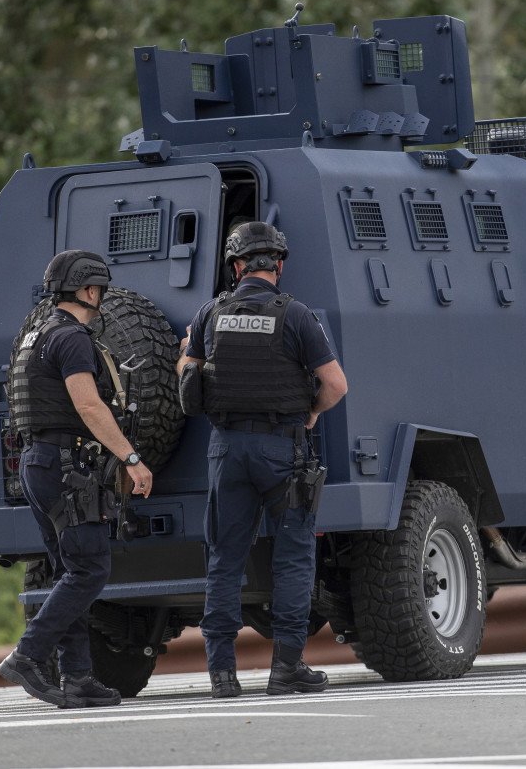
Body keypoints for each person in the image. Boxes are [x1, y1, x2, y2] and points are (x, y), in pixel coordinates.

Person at [177, 221, 348, 698]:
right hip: (282, 448)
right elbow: (336, 385)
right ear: (278, 264)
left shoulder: (210, 313)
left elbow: (187, 384)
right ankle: (286, 668)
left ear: (236, 266)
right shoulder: (296, 316)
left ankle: (222, 675)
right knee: (293, 559)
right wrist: (311, 413)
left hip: (227, 448)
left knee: (224, 559)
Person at [0, 250, 154, 707]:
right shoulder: (72, 338)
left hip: (37, 462)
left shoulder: (35, 335)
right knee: (90, 569)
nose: (101, 298)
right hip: (65, 465)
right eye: (99, 290)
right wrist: (130, 457)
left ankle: (78, 676)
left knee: (70, 570)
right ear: (88, 290)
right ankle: (27, 655)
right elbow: (88, 406)